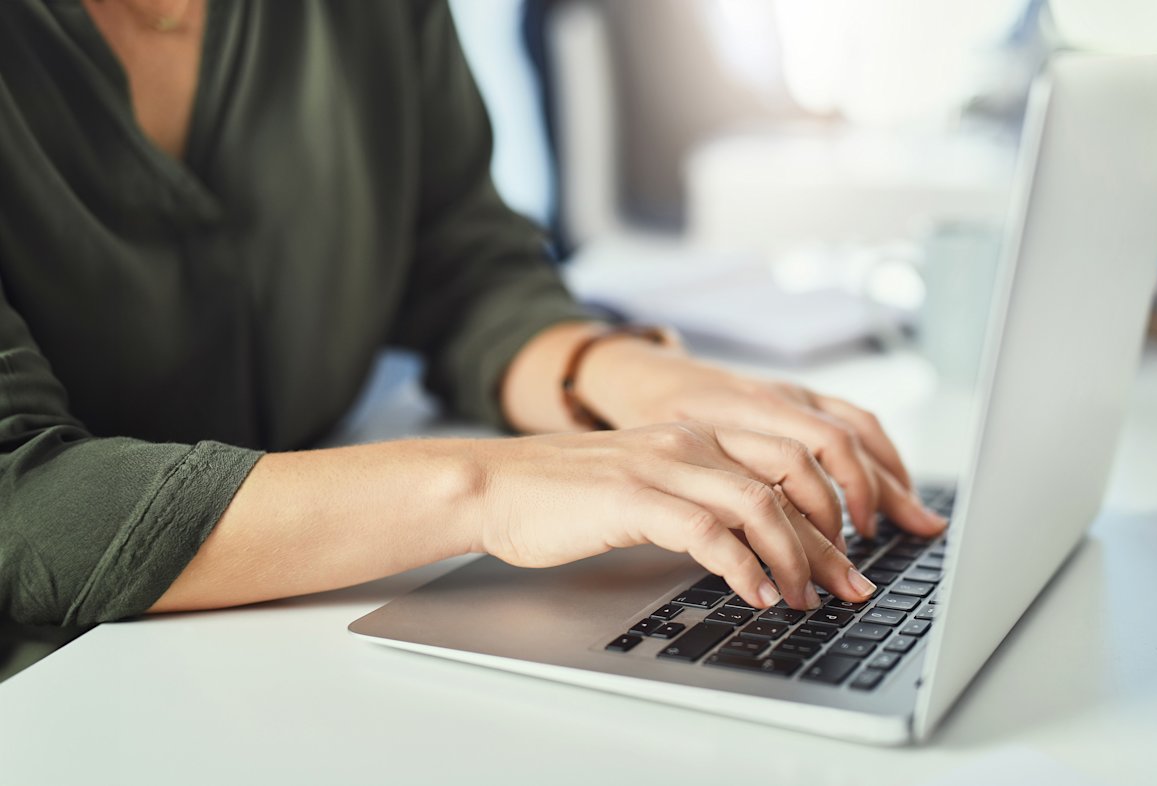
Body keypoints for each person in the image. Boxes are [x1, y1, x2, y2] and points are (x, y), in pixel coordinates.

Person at [0, 0, 945, 639]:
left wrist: (626, 378)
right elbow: (21, 499)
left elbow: (458, 259)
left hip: (289, 634)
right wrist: (485, 490)